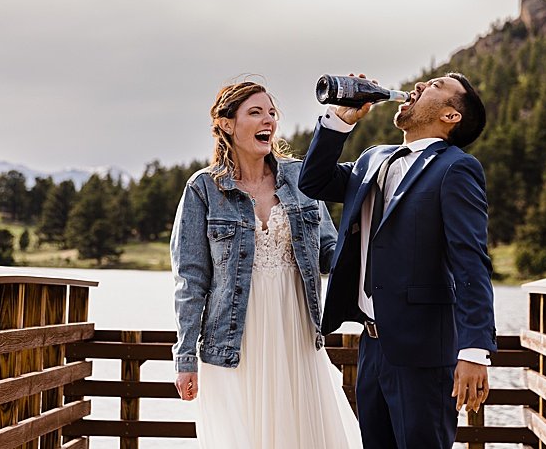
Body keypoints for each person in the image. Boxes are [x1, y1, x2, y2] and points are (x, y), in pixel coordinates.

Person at [299, 72, 495, 449]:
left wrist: (473, 350)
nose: (420, 85)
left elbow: (470, 261)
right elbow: (313, 181)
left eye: (436, 87)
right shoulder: (374, 157)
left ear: (450, 116)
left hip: (423, 352)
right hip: (372, 346)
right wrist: (340, 121)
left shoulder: (456, 168)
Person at [170, 80, 361, 449]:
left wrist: (370, 244)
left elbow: (328, 249)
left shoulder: (300, 177)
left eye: (272, 113)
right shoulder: (203, 189)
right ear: (227, 124)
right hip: (233, 341)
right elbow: (190, 280)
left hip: (297, 334)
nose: (268, 121)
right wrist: (185, 357)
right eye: (255, 112)